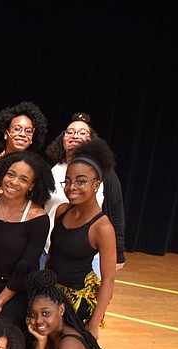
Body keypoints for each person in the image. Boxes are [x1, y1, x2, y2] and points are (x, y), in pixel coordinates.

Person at [0, 151, 55, 330]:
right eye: (11, 174)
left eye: (24, 179)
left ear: (32, 186)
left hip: (17, 288)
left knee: (2, 331)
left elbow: (27, 264)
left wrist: (0, 301)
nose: (14, 182)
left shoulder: (38, 219)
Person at [46, 138, 117, 338]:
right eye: (67, 181)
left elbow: (109, 280)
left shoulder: (102, 228)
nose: (72, 187)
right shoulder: (62, 211)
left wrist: (94, 324)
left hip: (77, 304)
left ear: (97, 184)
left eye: (81, 181)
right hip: (52, 297)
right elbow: (52, 256)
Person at [44, 112, 126, 273]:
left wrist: (119, 251)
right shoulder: (48, 170)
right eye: (70, 132)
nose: (75, 136)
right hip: (49, 249)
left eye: (82, 133)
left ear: (91, 140)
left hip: (89, 253)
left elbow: (116, 211)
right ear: (62, 139)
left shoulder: (104, 173)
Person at [0, 101, 48, 198]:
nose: (22, 134)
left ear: (32, 139)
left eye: (28, 131)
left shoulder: (36, 169)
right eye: (17, 129)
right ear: (5, 133)